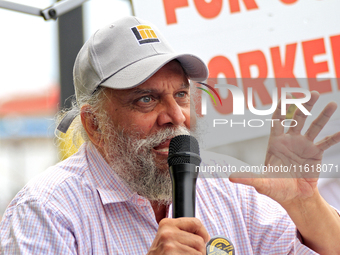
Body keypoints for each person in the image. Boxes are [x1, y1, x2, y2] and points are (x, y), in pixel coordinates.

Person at [1, 16, 340, 255]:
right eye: (146, 99)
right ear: (95, 125)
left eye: (180, 94)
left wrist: (303, 203)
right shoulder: (46, 209)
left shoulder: (229, 184)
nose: (176, 117)